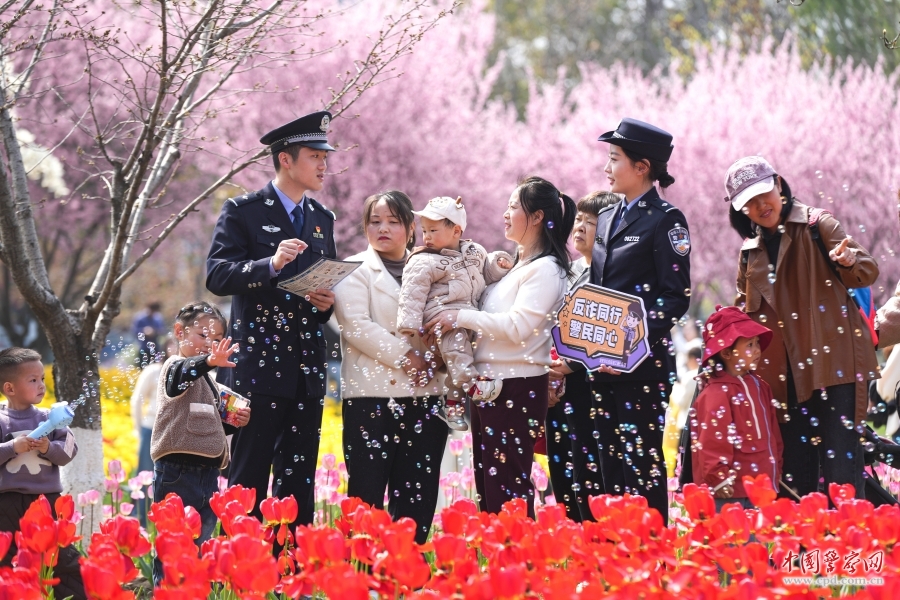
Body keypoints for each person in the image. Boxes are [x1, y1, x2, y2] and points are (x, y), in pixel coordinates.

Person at [206, 110, 337, 526]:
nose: (323, 165)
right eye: (315, 156)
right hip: (256, 372)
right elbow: (217, 275)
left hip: (306, 372)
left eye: (325, 157)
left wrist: (325, 304)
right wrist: (270, 264)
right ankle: (241, 562)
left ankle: (292, 565)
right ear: (285, 159)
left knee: (298, 490)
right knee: (247, 482)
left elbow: (322, 291)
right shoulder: (242, 210)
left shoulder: (322, 219)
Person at [726, 155, 879, 499]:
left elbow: (867, 271)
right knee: (794, 483)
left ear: (779, 184)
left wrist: (849, 260)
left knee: (842, 478)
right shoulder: (750, 252)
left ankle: (846, 536)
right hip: (783, 380)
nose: (760, 205)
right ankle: (802, 538)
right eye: (749, 202)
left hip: (835, 369)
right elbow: (744, 315)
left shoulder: (818, 225)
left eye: (764, 193)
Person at [426, 176, 576, 517]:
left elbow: (517, 326)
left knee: (507, 492)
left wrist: (459, 317)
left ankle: (517, 552)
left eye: (513, 207)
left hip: (516, 386)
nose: (505, 214)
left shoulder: (547, 269)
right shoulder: (517, 266)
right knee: (490, 492)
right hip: (490, 386)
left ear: (537, 217)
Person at [579, 118, 692, 524]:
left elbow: (675, 297)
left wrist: (627, 345)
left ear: (642, 167)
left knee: (641, 472)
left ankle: (652, 552)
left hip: (641, 369)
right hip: (601, 369)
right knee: (608, 473)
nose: (606, 168)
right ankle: (615, 554)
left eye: (615, 159)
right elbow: (597, 291)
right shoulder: (608, 216)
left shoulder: (666, 219)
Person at [333, 191, 449, 544]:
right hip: (371, 398)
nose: (382, 228)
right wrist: (407, 356)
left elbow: (450, 314)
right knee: (366, 494)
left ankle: (408, 569)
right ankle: (363, 572)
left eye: (393, 221)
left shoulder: (434, 267)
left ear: (412, 228)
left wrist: (440, 355)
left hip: (426, 395)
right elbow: (356, 326)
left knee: (418, 495)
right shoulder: (354, 270)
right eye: (374, 221)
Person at [150, 302, 250, 584]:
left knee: (200, 545)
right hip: (177, 471)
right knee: (174, 545)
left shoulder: (211, 383)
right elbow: (183, 375)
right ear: (179, 331)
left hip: (208, 473)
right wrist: (207, 362)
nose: (210, 344)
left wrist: (235, 419)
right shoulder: (174, 367)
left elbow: (210, 424)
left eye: (217, 339)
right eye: (203, 335)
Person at [396, 196, 513, 431]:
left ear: (456, 230)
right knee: (458, 352)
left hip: (469, 315)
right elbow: (412, 292)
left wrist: (498, 266)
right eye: (424, 230)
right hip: (442, 317)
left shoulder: (475, 252)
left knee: (460, 359)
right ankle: (473, 386)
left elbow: (485, 276)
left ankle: (453, 406)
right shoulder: (423, 260)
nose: (427, 236)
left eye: (433, 230)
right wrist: (409, 324)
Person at [546, 190, 618, 521]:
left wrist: (568, 366)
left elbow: (609, 337)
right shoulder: (566, 271)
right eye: (579, 219)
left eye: (592, 222)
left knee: (588, 478)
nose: (580, 227)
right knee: (561, 476)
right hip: (557, 388)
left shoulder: (613, 274)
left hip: (590, 388)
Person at [0, 347, 84, 600]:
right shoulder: (1, 421)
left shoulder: (51, 418)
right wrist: (11, 447)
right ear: (9, 388)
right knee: (8, 557)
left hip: (46, 501)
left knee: (60, 556)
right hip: (7, 503)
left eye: (42, 379)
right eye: (33, 380)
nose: (41, 385)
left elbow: (69, 451)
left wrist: (49, 448)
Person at [690, 306, 783, 512]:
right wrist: (718, 477)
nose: (757, 350)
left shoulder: (761, 387)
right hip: (730, 490)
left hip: (760, 486)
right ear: (726, 352)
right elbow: (712, 439)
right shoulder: (716, 392)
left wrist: (776, 467)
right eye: (749, 344)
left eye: (757, 343)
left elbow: (773, 434)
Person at [130, 336, 175, 525]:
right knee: (145, 475)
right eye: (173, 343)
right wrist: (139, 430)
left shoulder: (192, 373)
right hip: (151, 429)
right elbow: (136, 401)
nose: (177, 347)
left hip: (175, 434)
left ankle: (164, 522)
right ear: (166, 346)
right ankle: (139, 521)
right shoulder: (154, 371)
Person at [133, 301, 165, 368]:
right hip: (143, 348)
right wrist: (144, 331)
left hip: (155, 348)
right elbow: (134, 331)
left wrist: (154, 332)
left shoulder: (158, 318)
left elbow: (161, 331)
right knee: (143, 369)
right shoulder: (140, 318)